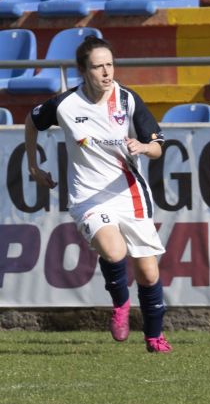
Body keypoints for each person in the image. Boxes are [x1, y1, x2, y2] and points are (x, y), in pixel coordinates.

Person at [24, 36, 171, 353]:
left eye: (110, 65)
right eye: (98, 67)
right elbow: (32, 121)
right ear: (82, 70)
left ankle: (153, 338)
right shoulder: (65, 104)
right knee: (114, 250)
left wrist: (143, 146)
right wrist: (34, 165)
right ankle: (120, 304)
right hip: (88, 197)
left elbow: (158, 147)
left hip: (129, 193)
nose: (106, 73)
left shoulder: (128, 100)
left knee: (148, 272)